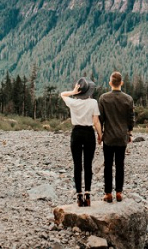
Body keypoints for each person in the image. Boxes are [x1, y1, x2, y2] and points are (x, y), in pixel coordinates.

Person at [60, 77, 102, 207]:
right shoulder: (93, 102)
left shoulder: (72, 102)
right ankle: (88, 194)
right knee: (88, 165)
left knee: (77, 165)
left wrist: (73, 92)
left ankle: (79, 195)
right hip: (89, 133)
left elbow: (62, 94)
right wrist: (100, 135)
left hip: (76, 133)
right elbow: (96, 121)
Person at [97, 71, 134, 203]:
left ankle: (108, 193)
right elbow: (131, 119)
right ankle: (119, 192)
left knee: (108, 165)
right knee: (120, 165)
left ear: (110, 83)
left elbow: (100, 119)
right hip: (121, 137)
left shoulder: (103, 98)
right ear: (121, 83)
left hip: (108, 137)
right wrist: (129, 133)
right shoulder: (128, 99)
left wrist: (100, 135)